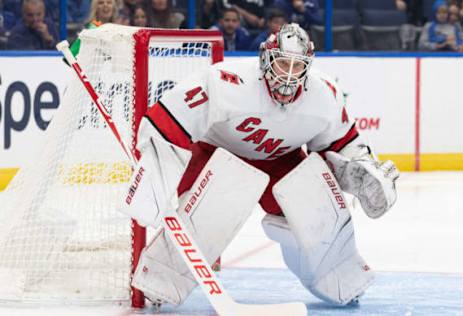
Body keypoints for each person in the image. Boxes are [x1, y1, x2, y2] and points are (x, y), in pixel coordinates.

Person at [121, 23, 400, 308]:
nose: (289, 75)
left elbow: (341, 145)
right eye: (282, 64)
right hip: (215, 155)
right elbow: (169, 120)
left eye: (297, 66)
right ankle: (161, 278)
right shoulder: (225, 82)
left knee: (317, 201)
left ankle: (339, 276)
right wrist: (154, 173)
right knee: (216, 206)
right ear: (266, 60)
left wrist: (362, 172)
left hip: (281, 161)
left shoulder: (324, 95)